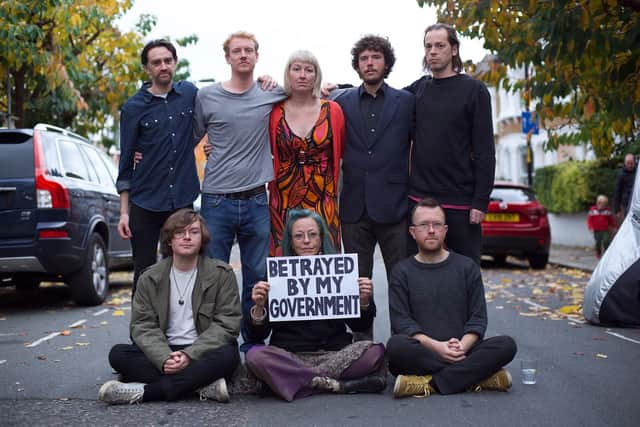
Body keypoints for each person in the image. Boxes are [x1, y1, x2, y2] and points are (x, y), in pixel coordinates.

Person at [193, 31, 287, 350]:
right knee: (215, 275)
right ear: (227, 57)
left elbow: (308, 90)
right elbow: (186, 137)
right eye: (237, 51)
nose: (244, 55)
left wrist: (331, 88)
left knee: (257, 274)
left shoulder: (269, 92)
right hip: (216, 200)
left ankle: (255, 341)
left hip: (256, 199)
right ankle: (220, 344)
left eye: (249, 50)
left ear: (257, 56)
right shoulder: (207, 96)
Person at [99, 209, 241, 405]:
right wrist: (164, 358)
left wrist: (189, 355)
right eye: (180, 232)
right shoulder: (149, 277)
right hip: (165, 349)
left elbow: (227, 324)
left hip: (203, 350)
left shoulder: (221, 274)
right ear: (169, 240)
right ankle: (203, 385)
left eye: (194, 232)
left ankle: (147, 392)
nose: (187, 237)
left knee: (229, 354)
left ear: (202, 239)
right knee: (118, 354)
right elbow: (142, 325)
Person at [244, 209, 386, 401]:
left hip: (334, 354)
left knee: (375, 352)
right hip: (290, 355)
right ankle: (331, 384)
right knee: (255, 356)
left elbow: (359, 326)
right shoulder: (275, 276)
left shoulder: (340, 270)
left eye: (312, 235)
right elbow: (257, 336)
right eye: (299, 236)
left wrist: (363, 301)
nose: (306, 241)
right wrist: (259, 308)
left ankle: (295, 382)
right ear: (291, 242)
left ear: (321, 239)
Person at [386, 198, 516, 398]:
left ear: (445, 230)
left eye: (436, 224)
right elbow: (402, 323)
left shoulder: (467, 267)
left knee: (506, 345)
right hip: (424, 351)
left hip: (464, 349)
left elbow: (478, 319)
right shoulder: (401, 272)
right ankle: (475, 377)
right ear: (413, 232)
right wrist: (438, 348)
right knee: (396, 348)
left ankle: (430, 383)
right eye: (424, 225)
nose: (431, 230)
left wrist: (461, 347)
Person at [330, 36, 414, 340]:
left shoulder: (406, 102)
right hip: (354, 206)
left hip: (395, 207)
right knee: (355, 283)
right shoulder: (340, 102)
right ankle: (362, 347)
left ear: (386, 63)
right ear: (356, 65)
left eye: (375, 57)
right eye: (364, 58)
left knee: (401, 280)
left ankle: (404, 345)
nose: (369, 63)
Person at [405, 23, 495, 265]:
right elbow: (383, 98)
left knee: (467, 274)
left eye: (440, 45)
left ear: (454, 49)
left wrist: (480, 201)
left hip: (461, 202)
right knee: (418, 276)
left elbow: (486, 150)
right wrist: (340, 89)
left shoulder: (474, 90)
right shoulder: (418, 89)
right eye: (428, 46)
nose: (433, 51)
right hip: (420, 202)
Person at [116, 39, 200, 294]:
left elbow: (220, 107)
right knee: (144, 272)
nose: (163, 66)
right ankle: (142, 333)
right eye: (156, 62)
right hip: (146, 201)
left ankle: (182, 331)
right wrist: (124, 212)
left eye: (167, 61)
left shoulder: (190, 94)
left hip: (182, 200)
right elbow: (127, 161)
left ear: (175, 63)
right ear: (147, 68)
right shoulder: (133, 108)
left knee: (184, 270)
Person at [268, 50, 345, 256]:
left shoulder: (333, 109)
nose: (302, 75)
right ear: (288, 74)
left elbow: (345, 150)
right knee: (285, 253)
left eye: (309, 70)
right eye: (296, 69)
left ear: (316, 75)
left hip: (323, 194)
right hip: (284, 195)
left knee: (326, 253)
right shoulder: (274, 110)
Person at [613, 153, 637, 221]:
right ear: (625, 163)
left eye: (631, 163)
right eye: (628, 163)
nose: (630, 165)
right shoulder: (621, 174)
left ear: (635, 162)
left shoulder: (638, 172)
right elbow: (617, 192)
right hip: (627, 204)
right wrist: (617, 209)